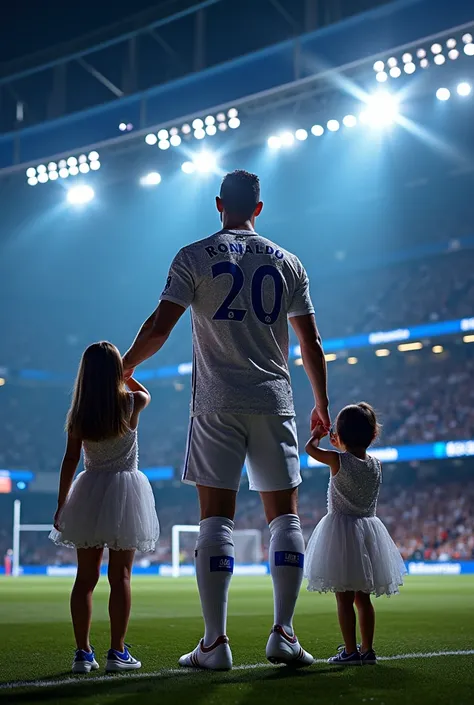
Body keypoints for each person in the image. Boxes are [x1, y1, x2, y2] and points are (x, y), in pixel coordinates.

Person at [123, 169, 330, 670]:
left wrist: (126, 366)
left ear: (219, 204)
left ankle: (214, 644)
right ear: (260, 208)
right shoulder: (288, 262)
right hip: (273, 398)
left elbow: (159, 327)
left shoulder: (192, 256)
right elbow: (311, 343)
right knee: (286, 517)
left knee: (215, 518)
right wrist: (322, 404)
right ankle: (284, 633)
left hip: (216, 402)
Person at [49, 341, 159, 674]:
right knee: (120, 575)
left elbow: (70, 459)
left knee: (85, 578)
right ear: (116, 372)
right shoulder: (132, 401)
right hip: (126, 492)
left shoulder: (80, 414)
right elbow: (146, 393)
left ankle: (82, 653)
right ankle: (117, 651)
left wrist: (61, 503)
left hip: (89, 490)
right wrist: (128, 373)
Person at [304, 402, 406, 665]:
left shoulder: (337, 460)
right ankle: (367, 650)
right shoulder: (377, 465)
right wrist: (344, 446)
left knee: (344, 598)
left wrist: (316, 435)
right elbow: (355, 460)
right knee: (364, 598)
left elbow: (310, 450)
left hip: (341, 533)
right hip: (368, 532)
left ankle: (350, 651)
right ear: (373, 435)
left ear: (340, 435)